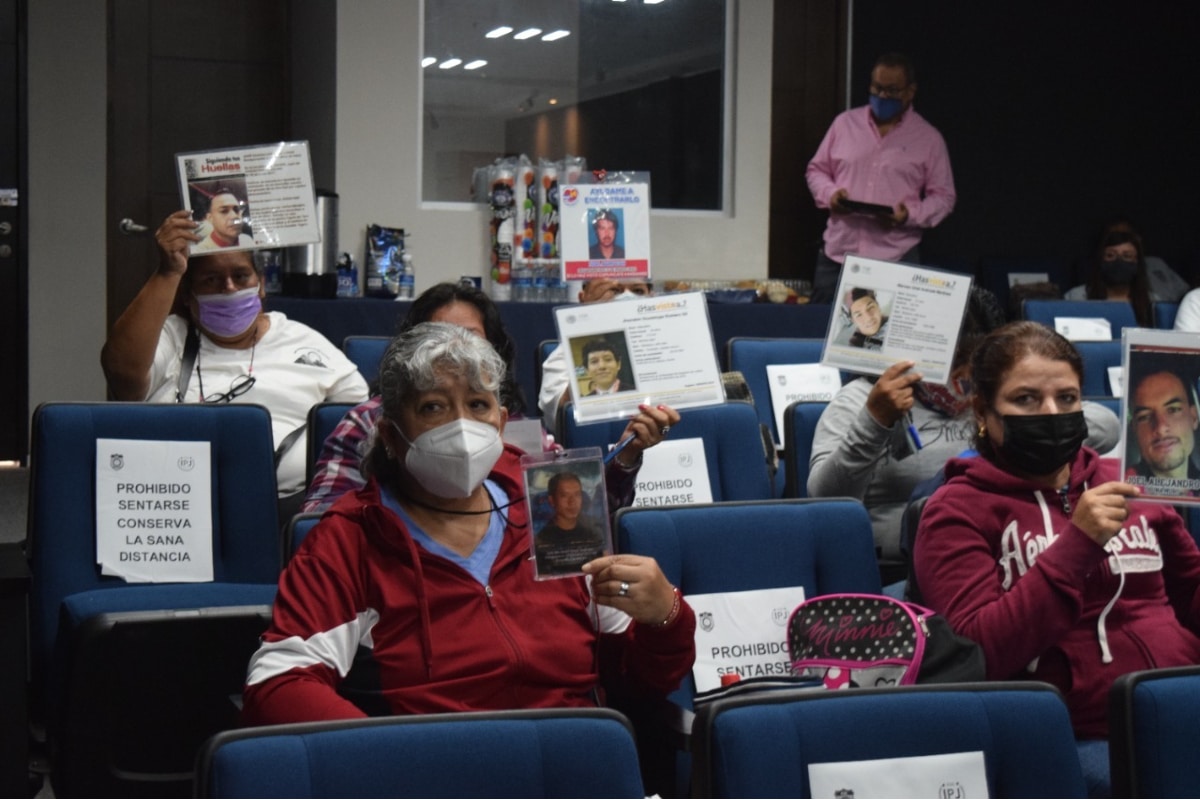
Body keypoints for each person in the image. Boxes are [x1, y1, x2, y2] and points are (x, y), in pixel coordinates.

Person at [242, 322, 695, 724]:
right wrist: (383, 760)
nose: (461, 427)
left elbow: (637, 685)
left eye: (478, 405)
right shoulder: (351, 537)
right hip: (436, 776)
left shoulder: (550, 506)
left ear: (500, 423)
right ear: (391, 435)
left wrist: (666, 618)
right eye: (434, 408)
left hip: (568, 766)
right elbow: (279, 685)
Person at [913, 321, 1200, 795]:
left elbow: (1190, 594)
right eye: (1026, 399)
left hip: (1180, 704)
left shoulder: (1130, 479)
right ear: (984, 410)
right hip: (1074, 733)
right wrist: (1077, 545)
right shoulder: (954, 509)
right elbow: (979, 653)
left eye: (1067, 399)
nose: (1051, 412)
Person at [809, 291, 1121, 585]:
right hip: (901, 570)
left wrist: (1021, 416)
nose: (963, 382)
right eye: (953, 369)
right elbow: (826, 498)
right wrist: (876, 421)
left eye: (974, 370)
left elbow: (1106, 426)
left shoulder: (997, 401)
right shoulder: (862, 399)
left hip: (1014, 551)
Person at [302, 281, 675, 514]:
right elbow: (319, 523)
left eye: (471, 338)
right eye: (439, 336)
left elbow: (578, 515)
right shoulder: (370, 421)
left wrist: (627, 454)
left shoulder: (516, 429)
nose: (456, 350)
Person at [100, 210, 369, 501]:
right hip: (179, 501)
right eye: (212, 280)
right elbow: (122, 378)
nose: (228, 288)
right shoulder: (172, 337)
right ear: (189, 295)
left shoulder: (302, 341)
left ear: (261, 284)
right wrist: (169, 271)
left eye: (240, 276)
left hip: (289, 506)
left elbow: (365, 420)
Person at [805, 52, 956, 304]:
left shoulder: (928, 138)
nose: (883, 96)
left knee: (887, 341)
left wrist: (908, 215)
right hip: (838, 258)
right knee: (819, 337)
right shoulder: (844, 124)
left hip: (895, 260)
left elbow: (944, 197)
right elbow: (816, 170)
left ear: (910, 91)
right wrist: (830, 195)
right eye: (877, 88)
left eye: (892, 90)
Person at [538, 278, 653, 424]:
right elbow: (559, 421)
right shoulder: (563, 355)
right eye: (615, 291)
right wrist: (592, 318)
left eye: (638, 291)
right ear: (583, 298)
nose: (626, 298)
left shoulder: (669, 345)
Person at [1123, 354, 1200, 496]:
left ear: (1194, 417)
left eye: (1173, 410)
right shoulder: (1121, 491)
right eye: (1145, 417)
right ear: (1134, 428)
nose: (1160, 428)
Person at [1064, 223, 1153, 327]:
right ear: (1101, 260)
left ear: (1137, 263)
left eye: (1127, 256)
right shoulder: (1076, 297)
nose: (1119, 261)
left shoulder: (1152, 302)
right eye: (1110, 255)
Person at [534, 471, 606, 575]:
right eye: (564, 495)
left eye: (577, 495)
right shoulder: (541, 539)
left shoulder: (594, 529)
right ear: (552, 501)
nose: (572, 502)